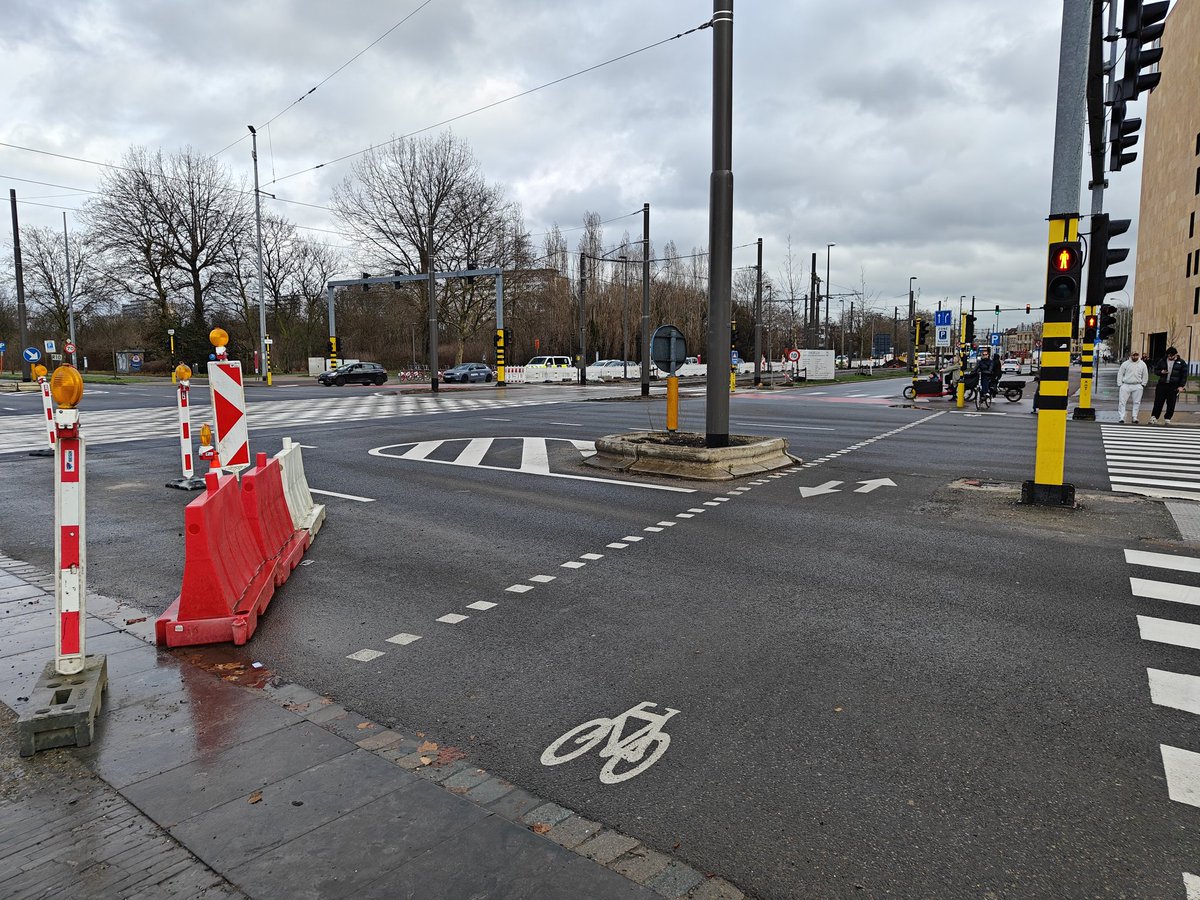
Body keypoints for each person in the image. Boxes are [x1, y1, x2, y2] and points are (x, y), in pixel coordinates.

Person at [1149, 346, 1188, 424]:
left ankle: (1168, 418)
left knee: (1171, 403)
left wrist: (1181, 386)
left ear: (1175, 355)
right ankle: (1154, 417)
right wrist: (1161, 372)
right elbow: (1156, 370)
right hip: (1162, 384)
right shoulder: (1162, 361)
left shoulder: (1181, 362)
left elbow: (1184, 375)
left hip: (1173, 386)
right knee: (1158, 401)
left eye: (1171, 356)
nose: (1170, 357)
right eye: (1168, 355)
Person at [1116, 350, 1149, 424]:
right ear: (1131, 356)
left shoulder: (1142, 364)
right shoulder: (1125, 364)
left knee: (1137, 402)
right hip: (1126, 384)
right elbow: (1120, 374)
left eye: (1136, 355)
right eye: (1134, 355)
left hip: (1137, 385)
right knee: (1122, 402)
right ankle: (1122, 416)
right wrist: (1120, 384)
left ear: (1138, 355)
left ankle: (1134, 416)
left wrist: (1143, 384)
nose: (1135, 357)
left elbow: (1145, 375)